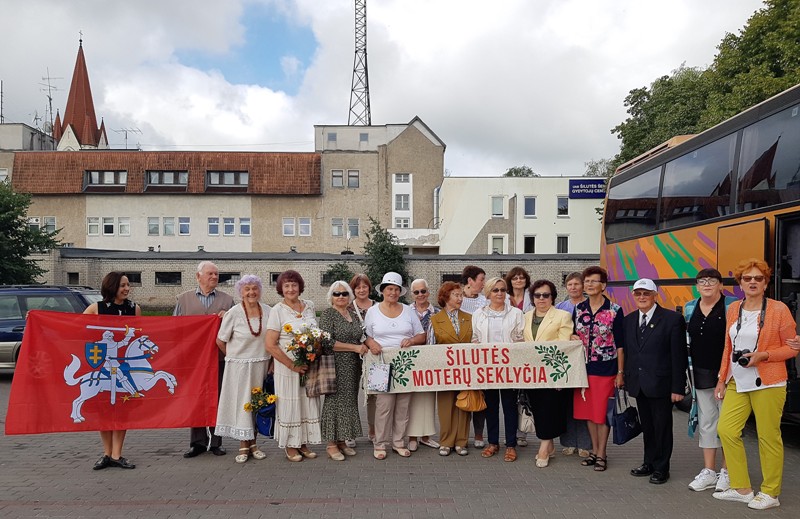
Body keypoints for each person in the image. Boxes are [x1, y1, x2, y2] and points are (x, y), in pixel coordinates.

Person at [713, 259, 800, 510]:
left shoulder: (779, 309)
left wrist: (764, 355)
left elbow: (792, 348)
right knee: (726, 430)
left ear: (765, 283)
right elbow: (728, 347)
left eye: (758, 278)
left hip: (769, 382)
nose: (752, 282)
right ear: (740, 283)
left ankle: (771, 492)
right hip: (737, 381)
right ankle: (742, 488)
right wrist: (721, 379)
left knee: (768, 437)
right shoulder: (734, 309)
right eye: (747, 278)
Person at [624, 278, 687, 485]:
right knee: (648, 427)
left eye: (646, 293)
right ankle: (648, 462)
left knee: (662, 427)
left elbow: (678, 356)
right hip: (639, 384)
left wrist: (678, 387)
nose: (642, 297)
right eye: (638, 293)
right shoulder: (629, 320)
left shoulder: (672, 319)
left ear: (655, 295)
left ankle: (662, 468)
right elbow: (631, 353)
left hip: (661, 384)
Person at [364, 272, 426, 460]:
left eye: (396, 289)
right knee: (384, 405)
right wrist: (371, 343)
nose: (393, 292)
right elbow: (366, 336)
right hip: (380, 363)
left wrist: (411, 340)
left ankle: (399, 442)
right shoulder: (372, 311)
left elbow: (421, 335)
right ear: (383, 290)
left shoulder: (408, 310)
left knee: (403, 406)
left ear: (400, 292)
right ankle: (380, 444)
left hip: (405, 363)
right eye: (389, 288)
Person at [684, 268, 735, 492]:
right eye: (702, 281)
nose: (706, 284)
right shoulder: (690, 307)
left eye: (712, 280)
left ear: (721, 285)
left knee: (727, 424)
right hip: (701, 373)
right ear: (697, 286)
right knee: (707, 422)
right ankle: (709, 471)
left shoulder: (732, 306)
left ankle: (727, 471)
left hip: (729, 375)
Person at [177, 261, 235, 459]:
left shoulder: (228, 301)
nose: (214, 277)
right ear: (198, 276)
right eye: (210, 273)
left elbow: (237, 328)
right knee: (196, 399)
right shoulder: (183, 300)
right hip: (193, 360)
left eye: (216, 274)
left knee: (217, 398)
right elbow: (175, 329)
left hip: (219, 358)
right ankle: (197, 443)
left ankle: (216, 442)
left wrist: (228, 317)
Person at [84, 271, 141, 470]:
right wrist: (38, 318)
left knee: (121, 411)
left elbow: (138, 335)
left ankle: (117, 454)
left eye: (128, 285)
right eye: (122, 285)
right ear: (112, 287)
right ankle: (106, 453)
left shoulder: (134, 309)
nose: (127, 289)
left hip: (123, 364)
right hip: (102, 364)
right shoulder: (96, 308)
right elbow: (73, 327)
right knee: (104, 412)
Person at [214, 275, 271, 464]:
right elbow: (220, 340)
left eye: (255, 288)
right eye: (247, 289)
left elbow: (274, 339)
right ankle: (243, 446)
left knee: (258, 404)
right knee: (243, 405)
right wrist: (233, 357)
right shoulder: (233, 313)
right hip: (239, 368)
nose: (251, 292)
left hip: (261, 365)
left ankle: (254, 444)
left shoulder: (269, 311)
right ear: (241, 292)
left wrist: (272, 363)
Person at [572, 266, 624, 473]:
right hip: (582, 368)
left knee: (602, 413)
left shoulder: (615, 310)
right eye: (587, 281)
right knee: (588, 412)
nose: (589, 284)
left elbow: (620, 345)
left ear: (603, 285)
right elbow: (573, 334)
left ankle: (602, 453)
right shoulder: (579, 309)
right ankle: (593, 450)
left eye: (594, 281)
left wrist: (620, 373)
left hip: (606, 368)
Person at [265, 270, 321, 462]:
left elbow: (315, 334)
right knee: (290, 404)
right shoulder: (277, 310)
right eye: (286, 286)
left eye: (294, 285)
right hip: (287, 368)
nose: (290, 289)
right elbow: (270, 344)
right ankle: (290, 445)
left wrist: (313, 352)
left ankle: (303, 443)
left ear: (300, 287)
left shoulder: (309, 306)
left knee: (306, 403)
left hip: (308, 366)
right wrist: (292, 365)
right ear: (281, 288)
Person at [472, 277, 524, 462]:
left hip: (509, 368)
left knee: (509, 407)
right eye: (495, 290)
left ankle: (511, 444)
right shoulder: (478, 314)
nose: (500, 293)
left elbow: (521, 338)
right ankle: (493, 442)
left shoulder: (516, 313)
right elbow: (475, 338)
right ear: (488, 293)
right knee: (491, 407)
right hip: (487, 368)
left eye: (502, 290)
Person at [523, 279, 573, 467]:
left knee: (549, 409)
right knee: (537, 408)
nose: (541, 298)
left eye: (546, 295)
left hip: (553, 372)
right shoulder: (526, 316)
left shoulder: (563, 316)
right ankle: (549, 444)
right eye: (537, 295)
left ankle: (543, 448)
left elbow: (563, 345)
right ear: (532, 297)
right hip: (531, 373)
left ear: (552, 297)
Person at [318, 281, 368, 461]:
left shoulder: (353, 314)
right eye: (336, 294)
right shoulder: (328, 314)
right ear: (331, 296)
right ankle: (331, 444)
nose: (341, 297)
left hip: (353, 366)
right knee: (334, 403)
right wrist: (354, 348)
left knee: (349, 402)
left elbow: (360, 336)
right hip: (335, 364)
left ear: (350, 296)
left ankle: (342, 440)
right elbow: (326, 341)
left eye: (344, 293)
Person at [429, 281, 473, 456]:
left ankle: (461, 441)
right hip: (444, 372)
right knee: (446, 406)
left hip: (466, 371)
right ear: (446, 297)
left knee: (464, 404)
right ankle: (446, 442)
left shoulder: (469, 318)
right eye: (456, 295)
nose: (460, 298)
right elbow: (430, 347)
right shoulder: (434, 320)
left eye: (461, 295)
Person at [555, 272, 591, 458]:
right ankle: (568, 442)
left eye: (577, 284)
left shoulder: (590, 306)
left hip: (586, 360)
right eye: (570, 284)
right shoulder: (560, 308)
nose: (573, 287)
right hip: (565, 362)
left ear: (582, 286)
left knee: (583, 402)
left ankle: (585, 444)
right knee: (567, 403)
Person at [406, 278, 441, 451]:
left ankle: (426, 436)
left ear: (428, 292)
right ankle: (412, 437)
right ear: (412, 294)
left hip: (429, 361)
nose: (420, 295)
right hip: (410, 361)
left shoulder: (438, 312)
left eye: (423, 291)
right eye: (416, 292)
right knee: (411, 399)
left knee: (428, 399)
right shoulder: (405, 311)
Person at [460, 265, 488, 448]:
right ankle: (461, 436)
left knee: (479, 394)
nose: (484, 283)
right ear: (470, 281)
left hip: (481, 356)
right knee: (462, 395)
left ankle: (478, 434)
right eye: (481, 279)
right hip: (461, 356)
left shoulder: (485, 301)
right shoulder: (457, 298)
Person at [348, 273, 377, 446]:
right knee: (350, 393)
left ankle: (373, 430)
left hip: (373, 355)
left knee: (374, 394)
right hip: (351, 355)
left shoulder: (378, 306)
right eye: (357, 287)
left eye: (364, 286)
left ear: (369, 288)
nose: (361, 290)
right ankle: (349, 431)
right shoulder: (347, 307)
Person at [505, 267, 533, 447]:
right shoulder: (504, 297)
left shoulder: (532, 297)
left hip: (526, 347)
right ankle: (510, 433)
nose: (518, 281)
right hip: (507, 349)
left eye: (521, 278)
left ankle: (522, 433)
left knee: (524, 394)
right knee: (510, 394)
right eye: (515, 278)